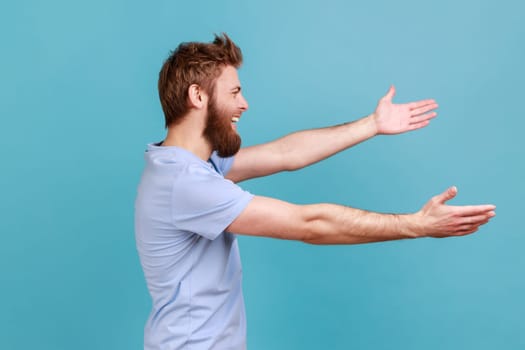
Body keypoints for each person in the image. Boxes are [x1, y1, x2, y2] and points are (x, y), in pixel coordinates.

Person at [134, 33, 496, 350]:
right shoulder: (186, 183)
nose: (244, 104)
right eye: (235, 92)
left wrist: (372, 125)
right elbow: (310, 223)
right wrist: (416, 225)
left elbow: (286, 153)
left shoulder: (191, 165)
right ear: (197, 96)